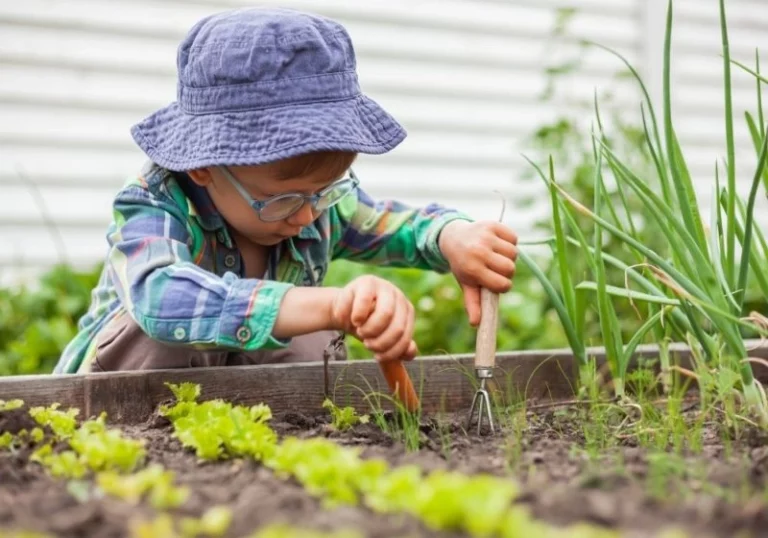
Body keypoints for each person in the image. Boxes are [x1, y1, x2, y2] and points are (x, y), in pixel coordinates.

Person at [53, 6, 519, 374]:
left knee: (311, 336)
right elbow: (159, 296)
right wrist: (332, 304)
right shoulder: (155, 203)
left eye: (325, 192)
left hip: (247, 412)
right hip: (115, 406)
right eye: (284, 200)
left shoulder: (315, 204)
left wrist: (450, 236)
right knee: (159, 330)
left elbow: (393, 226)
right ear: (203, 168)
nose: (306, 216)